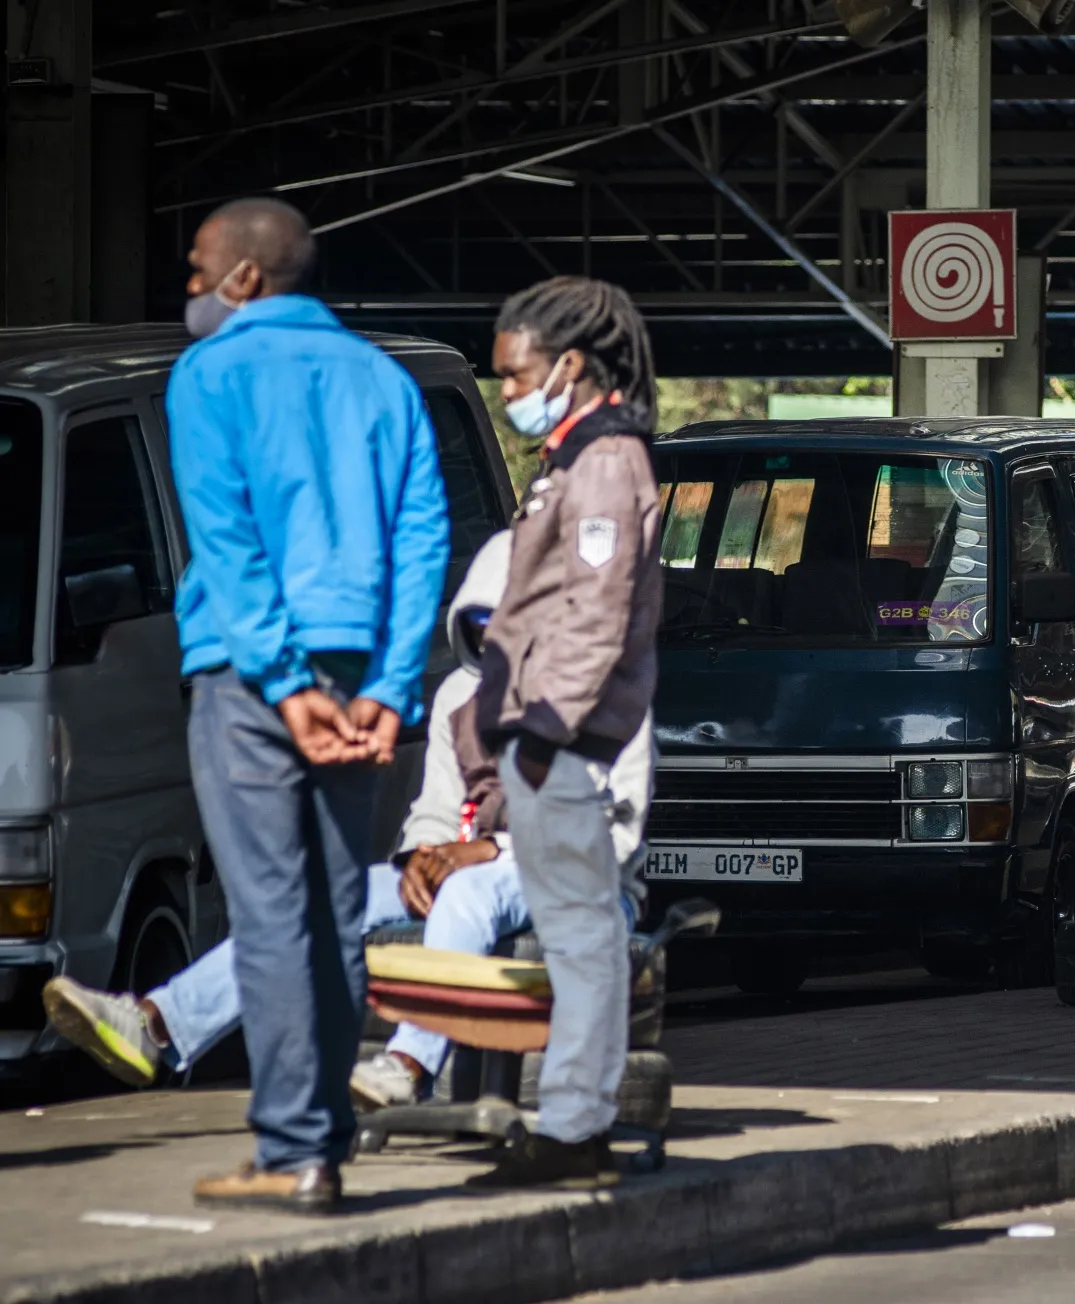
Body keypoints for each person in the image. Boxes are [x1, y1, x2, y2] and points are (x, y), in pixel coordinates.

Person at [42, 535, 655, 1106]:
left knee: (467, 891)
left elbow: (616, 835)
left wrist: (491, 851)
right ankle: (161, 1024)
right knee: (330, 894)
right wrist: (418, 858)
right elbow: (435, 811)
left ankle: (410, 1065)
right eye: (482, 628)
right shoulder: (458, 701)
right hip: (475, 872)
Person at [162, 198, 450, 1212]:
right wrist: (387, 687)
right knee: (330, 909)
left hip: (252, 679)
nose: (189, 287)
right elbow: (424, 537)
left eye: (198, 268)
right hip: (358, 670)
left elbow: (228, 542)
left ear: (244, 278)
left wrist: (283, 687)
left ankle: (292, 1150)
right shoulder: (384, 378)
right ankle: (323, 1138)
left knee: (272, 911)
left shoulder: (207, 374)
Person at [474, 276, 662, 1189]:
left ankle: (576, 1126)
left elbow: (597, 609)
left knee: (582, 938)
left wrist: (546, 729)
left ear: (572, 364)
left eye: (515, 374)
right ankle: (572, 1122)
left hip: (563, 739)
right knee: (574, 933)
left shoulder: (603, 462)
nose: (506, 391)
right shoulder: (575, 456)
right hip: (546, 737)